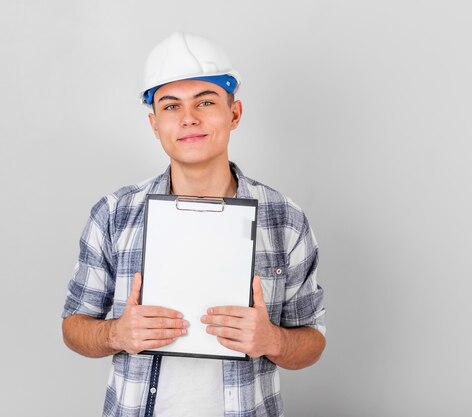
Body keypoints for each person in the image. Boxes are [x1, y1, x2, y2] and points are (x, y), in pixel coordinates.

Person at [61, 32, 326, 417]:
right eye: (171, 106)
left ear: (234, 114)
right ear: (154, 124)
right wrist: (115, 333)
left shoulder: (285, 218)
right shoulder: (114, 213)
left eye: (206, 101)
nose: (189, 118)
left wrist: (273, 340)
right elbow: (74, 327)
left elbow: (312, 341)